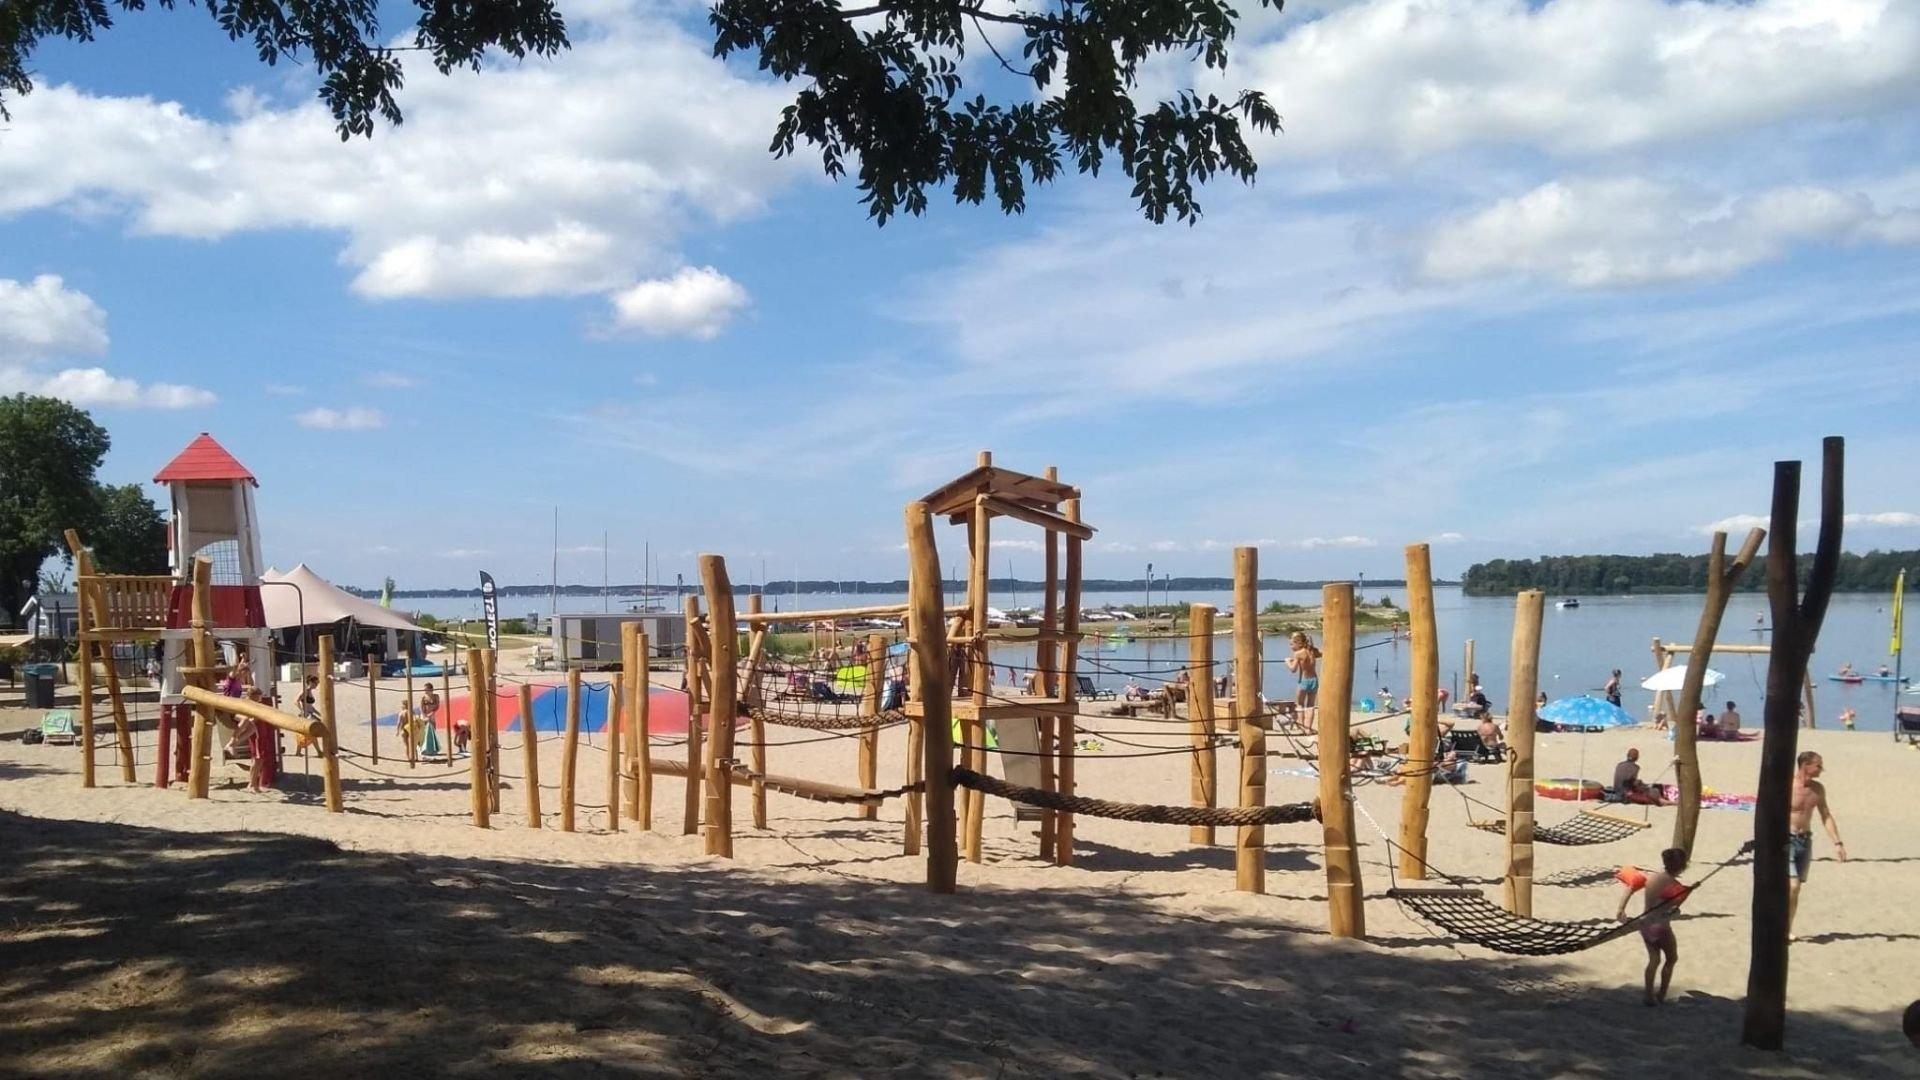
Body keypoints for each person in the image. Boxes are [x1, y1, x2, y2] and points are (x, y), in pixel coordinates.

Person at [1615, 848, 1692, 1006]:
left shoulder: (1652, 877)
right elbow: (1674, 907)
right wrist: (1687, 893)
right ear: (1682, 866)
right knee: (1671, 959)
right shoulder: (1675, 886)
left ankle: (1648, 996)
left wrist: (1621, 909)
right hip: (1660, 927)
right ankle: (1661, 995)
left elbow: (1631, 887)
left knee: (1654, 960)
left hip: (1645, 924)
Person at [1788, 750, 1847, 936]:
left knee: (1796, 889)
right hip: (1786, 841)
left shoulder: (1818, 789)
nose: (1822, 769)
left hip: (1805, 841)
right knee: (1793, 886)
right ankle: (1780, 927)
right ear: (1806, 765)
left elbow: (1825, 815)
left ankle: (1787, 928)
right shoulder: (1787, 786)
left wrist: (1837, 843)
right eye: (1818, 766)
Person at [1287, 631, 1321, 728]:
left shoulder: (1298, 654)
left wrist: (1287, 661)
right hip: (1314, 680)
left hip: (1303, 681)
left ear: (1299, 643)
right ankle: (1308, 728)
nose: (1290, 647)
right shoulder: (1312, 651)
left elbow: (1293, 669)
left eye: (1292, 644)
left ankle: (1302, 726)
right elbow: (1322, 653)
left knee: (1300, 704)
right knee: (1310, 706)